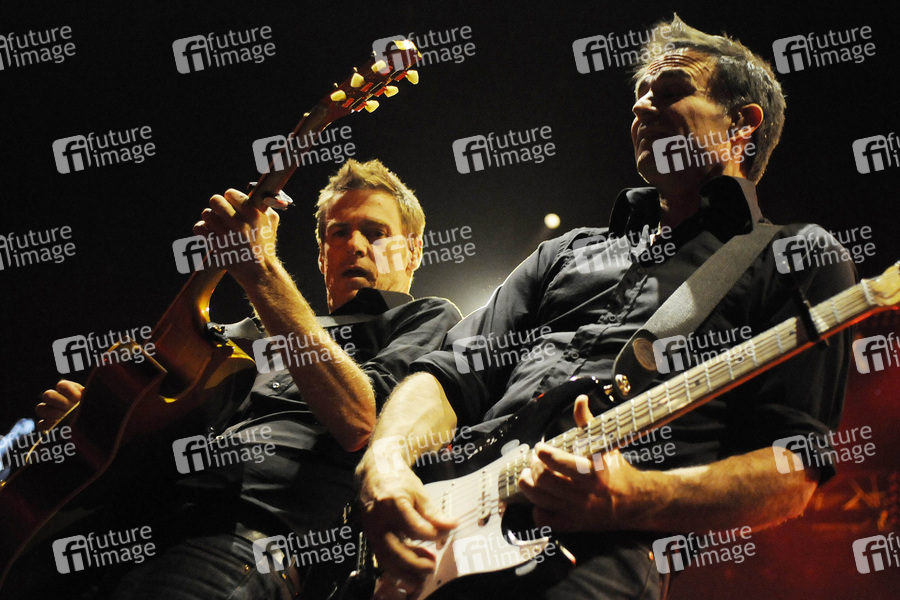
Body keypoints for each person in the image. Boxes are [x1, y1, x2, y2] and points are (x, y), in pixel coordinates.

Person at [355, 16, 855, 600]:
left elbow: (792, 467)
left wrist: (632, 496)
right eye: (640, 93)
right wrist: (386, 460)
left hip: (590, 556)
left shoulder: (795, 256)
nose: (641, 106)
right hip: (438, 532)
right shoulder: (565, 252)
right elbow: (446, 375)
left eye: (670, 91)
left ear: (742, 124)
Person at [21, 159, 462, 599]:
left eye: (376, 232)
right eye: (339, 232)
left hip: (240, 545)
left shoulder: (427, 318)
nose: (356, 245)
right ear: (322, 254)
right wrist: (93, 425)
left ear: (413, 251)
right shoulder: (244, 335)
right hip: (122, 534)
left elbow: (361, 420)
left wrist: (260, 270)